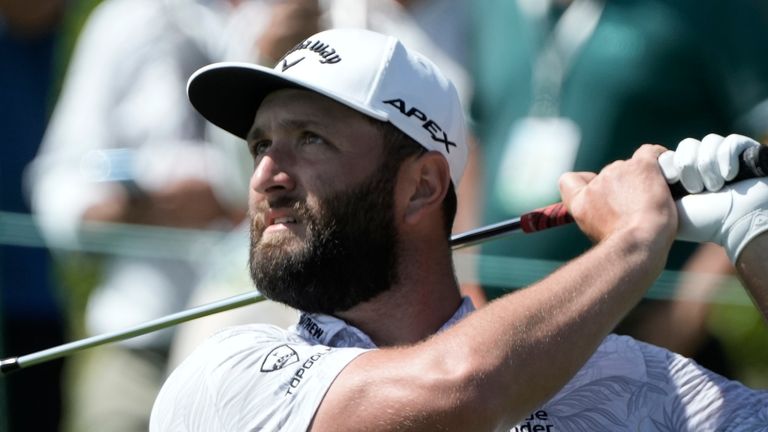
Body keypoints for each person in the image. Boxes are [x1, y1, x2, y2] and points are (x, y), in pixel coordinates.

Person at [150, 28, 768, 430]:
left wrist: (753, 233)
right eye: (260, 144)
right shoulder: (225, 376)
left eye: (309, 140)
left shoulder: (629, 381)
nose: (265, 176)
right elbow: (461, 391)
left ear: (422, 184)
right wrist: (634, 240)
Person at [465, 0, 768, 374]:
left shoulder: (712, 9)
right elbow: (475, 141)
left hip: (655, 346)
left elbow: (759, 158)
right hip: (503, 345)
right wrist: (464, 284)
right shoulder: (490, 9)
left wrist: (688, 310)